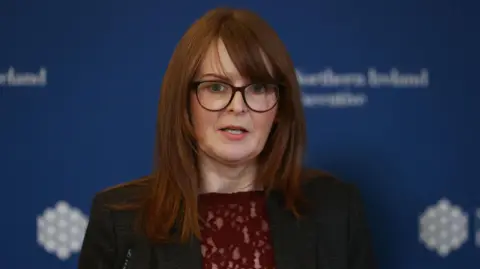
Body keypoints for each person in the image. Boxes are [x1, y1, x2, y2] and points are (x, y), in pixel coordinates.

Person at [78, 7, 376, 269]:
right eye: (217, 87)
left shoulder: (337, 211)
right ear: (184, 103)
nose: (238, 106)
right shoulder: (119, 222)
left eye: (258, 88)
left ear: (280, 108)